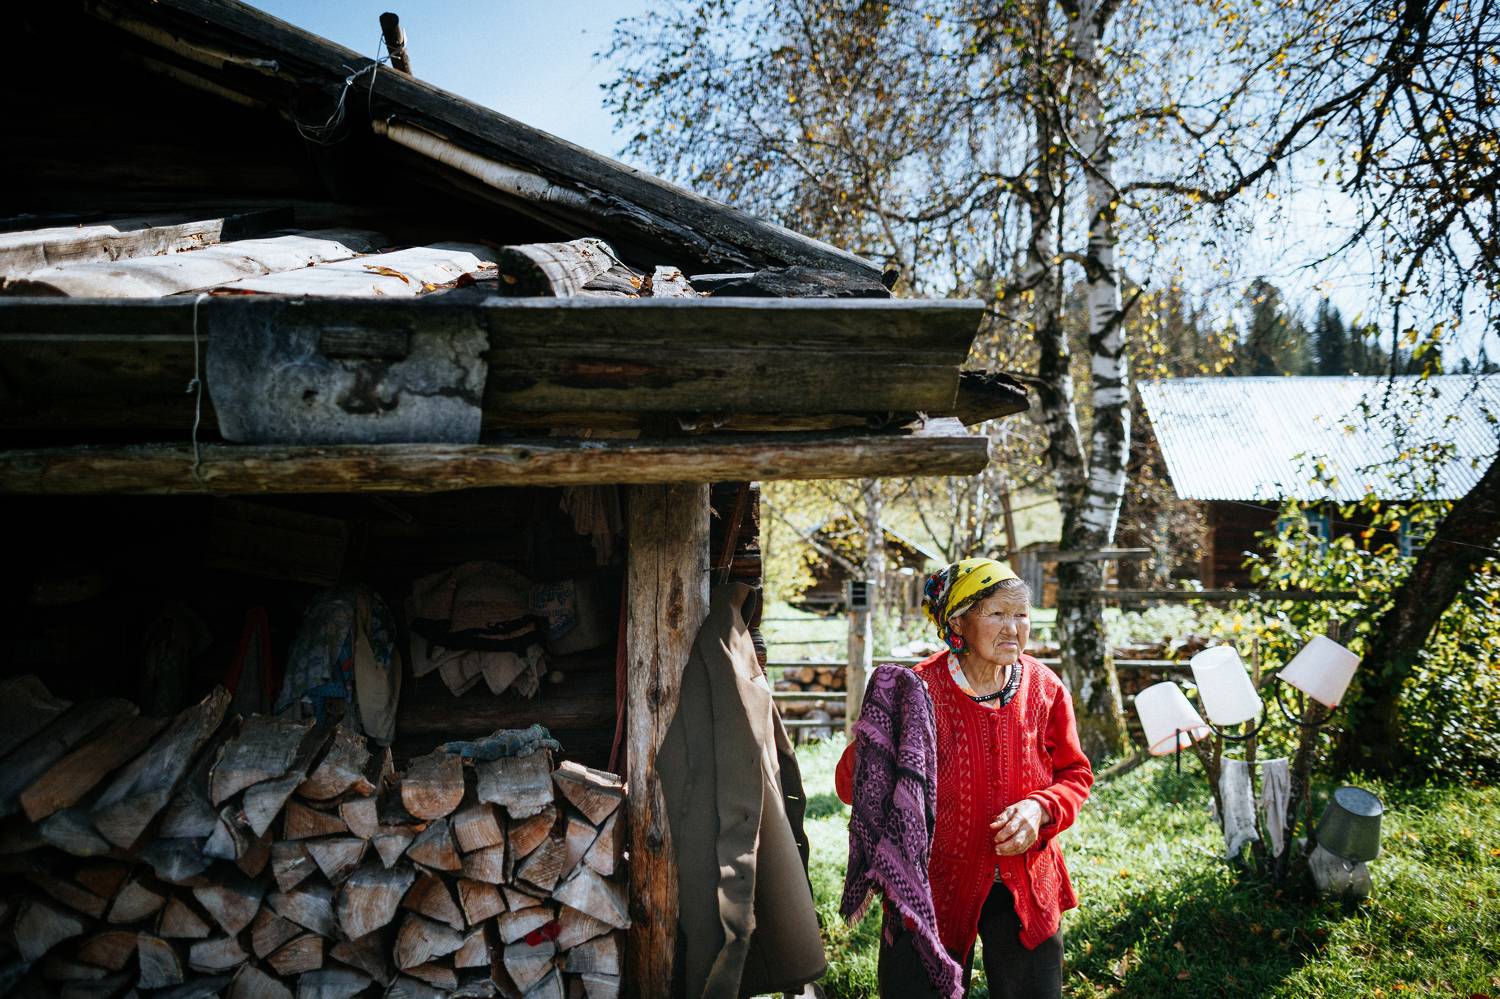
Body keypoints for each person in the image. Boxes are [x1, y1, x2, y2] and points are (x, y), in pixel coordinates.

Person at [835, 557, 1094, 999]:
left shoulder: (1044, 687)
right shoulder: (917, 691)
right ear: (958, 622)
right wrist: (882, 726)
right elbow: (849, 786)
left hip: (1024, 882)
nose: (1013, 628)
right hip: (929, 888)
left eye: (1022, 614)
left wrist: (1040, 807)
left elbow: (1076, 774)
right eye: (996, 613)